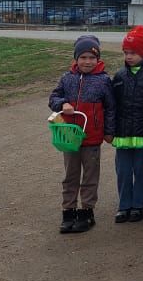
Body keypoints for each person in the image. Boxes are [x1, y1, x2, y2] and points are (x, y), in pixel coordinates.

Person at [49, 34, 115, 234]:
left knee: (90, 176)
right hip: (69, 137)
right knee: (70, 175)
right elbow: (54, 97)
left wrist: (109, 131)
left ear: (98, 59)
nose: (87, 62)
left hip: (92, 137)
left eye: (92, 58)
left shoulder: (103, 81)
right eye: (83, 57)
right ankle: (68, 210)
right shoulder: (66, 78)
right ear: (76, 58)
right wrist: (63, 103)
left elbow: (111, 108)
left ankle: (87, 211)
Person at [110, 26, 143, 223]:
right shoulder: (119, 76)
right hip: (123, 133)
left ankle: (138, 205)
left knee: (142, 170)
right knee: (123, 170)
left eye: (133, 53)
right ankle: (124, 205)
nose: (129, 56)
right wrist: (110, 129)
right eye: (126, 53)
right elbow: (112, 105)